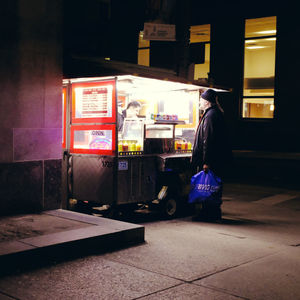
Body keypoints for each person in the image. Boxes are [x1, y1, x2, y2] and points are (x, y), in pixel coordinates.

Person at [191, 89, 231, 221]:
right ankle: (212, 213)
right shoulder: (214, 113)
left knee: (209, 186)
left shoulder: (211, 115)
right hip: (217, 159)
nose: (199, 102)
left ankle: (209, 214)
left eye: (201, 99)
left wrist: (206, 161)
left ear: (207, 102)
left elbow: (208, 139)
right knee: (212, 186)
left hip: (212, 160)